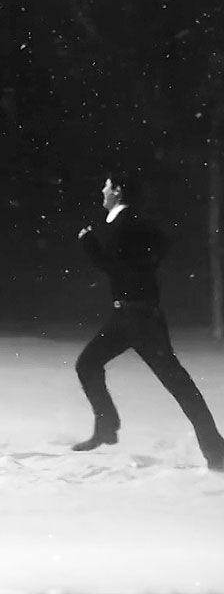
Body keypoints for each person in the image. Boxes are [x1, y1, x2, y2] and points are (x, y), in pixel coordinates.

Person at [72, 173, 223, 471]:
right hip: (131, 316)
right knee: (89, 365)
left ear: (117, 191)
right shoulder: (129, 222)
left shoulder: (126, 223)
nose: (102, 190)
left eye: (106, 186)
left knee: (178, 384)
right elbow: (156, 248)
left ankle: (216, 450)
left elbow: (114, 267)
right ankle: (107, 426)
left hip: (139, 318)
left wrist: (88, 243)